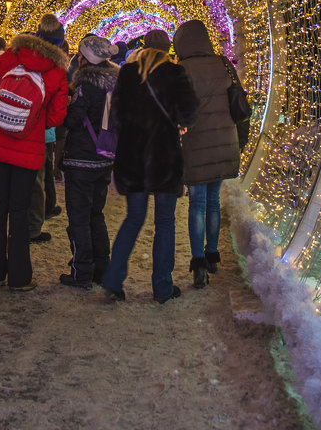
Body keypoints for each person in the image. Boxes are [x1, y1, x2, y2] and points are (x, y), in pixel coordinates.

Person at [100, 29, 198, 304]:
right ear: (168, 49)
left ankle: (113, 280)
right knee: (165, 222)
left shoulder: (127, 75)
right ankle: (162, 288)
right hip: (164, 158)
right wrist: (176, 122)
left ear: (143, 46)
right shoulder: (175, 74)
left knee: (133, 219)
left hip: (132, 158)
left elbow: (116, 117)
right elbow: (189, 112)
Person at [0, 31, 69, 291]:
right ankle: (19, 277)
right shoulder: (57, 71)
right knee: (19, 211)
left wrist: (2, 112)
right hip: (27, 151)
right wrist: (32, 123)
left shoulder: (7, 58)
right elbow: (57, 117)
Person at [173, 20, 242, 287]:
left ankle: (198, 262)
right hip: (225, 141)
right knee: (213, 202)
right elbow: (238, 100)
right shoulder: (223, 64)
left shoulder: (182, 70)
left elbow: (178, 110)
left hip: (195, 144)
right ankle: (213, 256)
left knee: (197, 204)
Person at [58, 35, 119, 288]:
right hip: (105, 158)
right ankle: (102, 268)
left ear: (84, 59)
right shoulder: (115, 83)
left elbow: (72, 120)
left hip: (81, 160)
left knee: (79, 217)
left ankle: (81, 270)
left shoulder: (84, 86)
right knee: (96, 214)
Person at [29, 14, 65, 242]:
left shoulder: (19, 57)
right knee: (39, 180)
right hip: (43, 132)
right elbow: (57, 113)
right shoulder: (58, 68)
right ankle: (33, 227)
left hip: (15, 125)